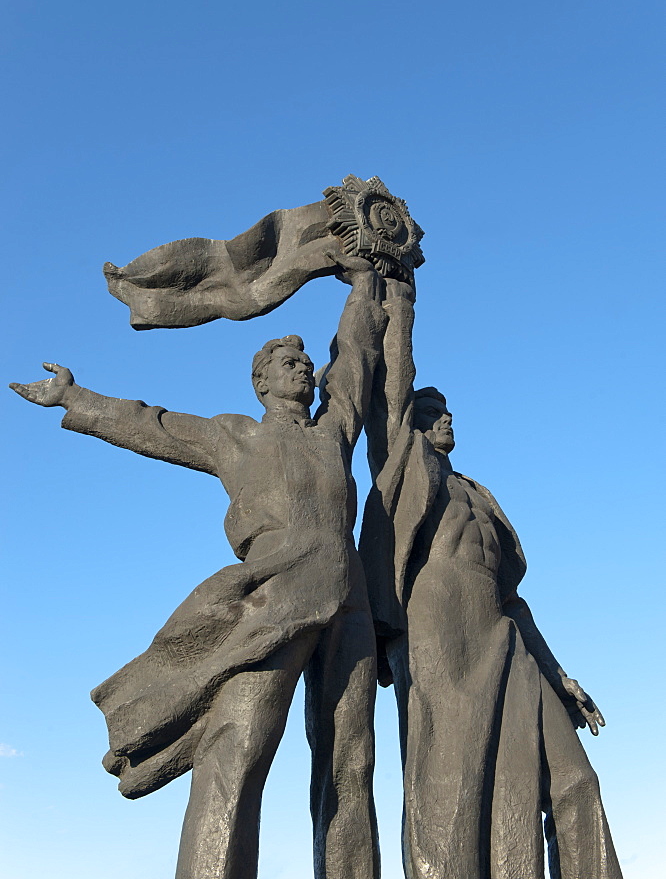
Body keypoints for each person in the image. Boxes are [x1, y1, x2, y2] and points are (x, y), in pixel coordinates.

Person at [10, 254, 387, 879]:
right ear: (261, 384)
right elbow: (153, 424)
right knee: (238, 749)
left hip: (349, 603)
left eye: (303, 361)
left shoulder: (332, 434)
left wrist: (364, 285)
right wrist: (74, 397)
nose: (302, 367)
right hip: (274, 597)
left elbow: (353, 364)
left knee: (351, 766)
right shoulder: (233, 435)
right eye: (285, 363)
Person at [359, 280, 623, 879]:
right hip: (437, 639)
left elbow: (514, 599)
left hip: (502, 635)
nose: (446, 416)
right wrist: (400, 300)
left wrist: (560, 674)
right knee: (450, 791)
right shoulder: (403, 471)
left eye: (448, 410)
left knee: (574, 777)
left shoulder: (478, 494)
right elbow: (393, 388)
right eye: (432, 411)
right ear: (413, 425)